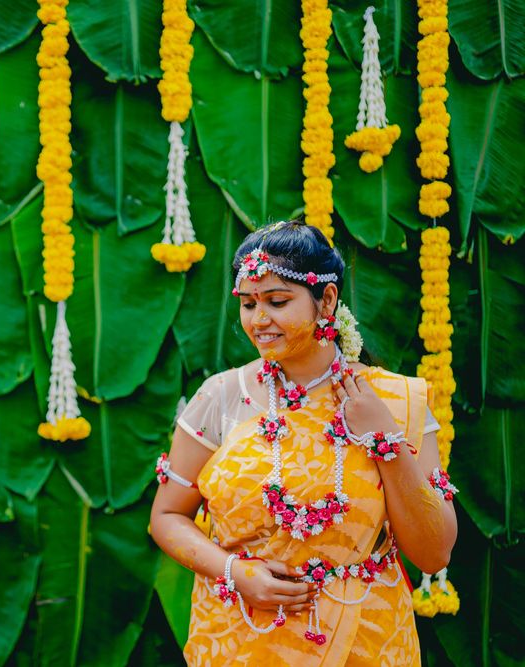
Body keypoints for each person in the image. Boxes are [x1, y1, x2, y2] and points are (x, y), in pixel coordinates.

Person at [149, 220, 458, 665]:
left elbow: (434, 552)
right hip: (241, 639)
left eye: (277, 302)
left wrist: (383, 439)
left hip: (365, 644)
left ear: (326, 300)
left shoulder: (397, 401)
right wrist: (235, 571)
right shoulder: (219, 398)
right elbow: (166, 515)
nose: (259, 321)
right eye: (249, 304)